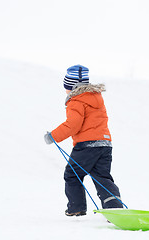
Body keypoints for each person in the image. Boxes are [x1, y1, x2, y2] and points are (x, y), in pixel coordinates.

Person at [44, 65, 123, 216]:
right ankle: (114, 208)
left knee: (72, 174)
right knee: (102, 177)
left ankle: (76, 208)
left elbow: (73, 125)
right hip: (105, 144)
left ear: (71, 86)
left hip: (87, 146)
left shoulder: (76, 100)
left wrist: (53, 136)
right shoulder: (96, 98)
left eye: (66, 87)